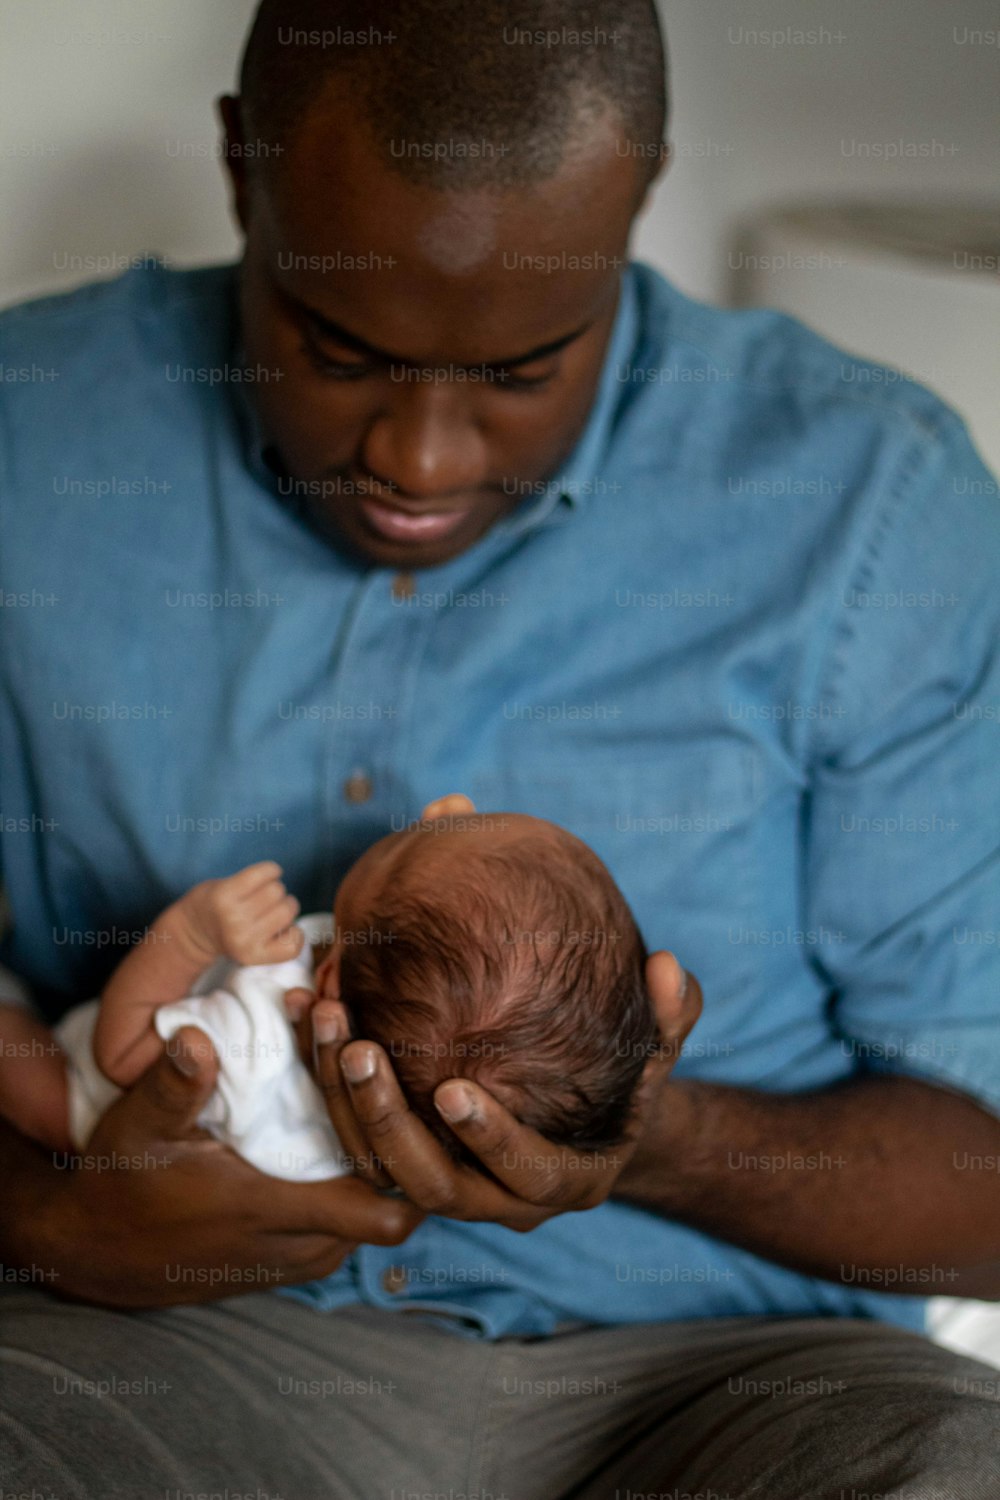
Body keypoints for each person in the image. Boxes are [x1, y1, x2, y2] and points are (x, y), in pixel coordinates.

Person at [1, 1, 998, 1496]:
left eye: (525, 370)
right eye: (337, 347)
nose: (419, 460)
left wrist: (650, 1138)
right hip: (165, 1357)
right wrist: (45, 1220)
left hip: (739, 1389)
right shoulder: (31, 435)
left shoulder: (872, 506)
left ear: (640, 186)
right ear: (238, 163)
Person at [7, 806, 655, 1180]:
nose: (446, 807)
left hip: (103, 1123)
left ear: (327, 983)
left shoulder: (250, 1037)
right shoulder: (410, 1072)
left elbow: (120, 1058)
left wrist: (192, 932)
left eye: (407, 845)